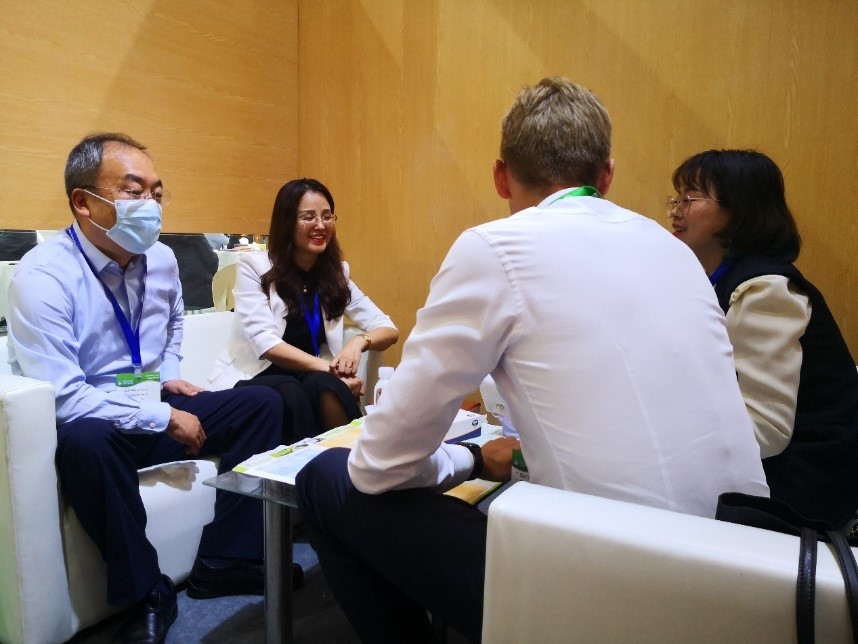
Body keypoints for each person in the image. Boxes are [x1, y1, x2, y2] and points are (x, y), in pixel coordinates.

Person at [295, 77, 770, 642]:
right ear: (607, 175)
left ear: (501, 177)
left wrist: (470, 459)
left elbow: (380, 465)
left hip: (618, 594)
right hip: (750, 573)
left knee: (328, 479)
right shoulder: (675, 251)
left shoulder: (496, 247)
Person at [6, 132, 284, 644]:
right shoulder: (43, 276)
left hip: (153, 400)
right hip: (97, 420)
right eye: (134, 192)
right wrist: (165, 416)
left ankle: (226, 560)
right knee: (85, 443)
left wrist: (169, 370)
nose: (151, 206)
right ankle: (145, 593)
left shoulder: (161, 259)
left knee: (263, 403)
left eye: (157, 192)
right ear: (84, 202)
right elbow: (64, 396)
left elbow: (173, 321)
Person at [668, 149, 858, 528]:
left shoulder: (766, 289)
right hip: (765, 471)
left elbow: (767, 429)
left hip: (806, 485)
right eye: (675, 198)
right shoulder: (711, 280)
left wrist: (671, 444)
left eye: (690, 198)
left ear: (738, 210)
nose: (675, 210)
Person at [208, 178, 399, 440]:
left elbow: (388, 328)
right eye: (308, 217)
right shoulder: (255, 267)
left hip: (311, 374)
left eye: (327, 216)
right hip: (257, 375)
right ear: (287, 222)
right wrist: (333, 370)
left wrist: (359, 342)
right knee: (294, 389)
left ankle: (350, 458)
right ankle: (301, 465)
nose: (320, 225)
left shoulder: (336, 273)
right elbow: (267, 344)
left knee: (326, 387)